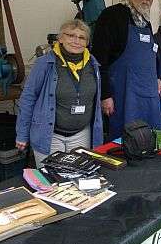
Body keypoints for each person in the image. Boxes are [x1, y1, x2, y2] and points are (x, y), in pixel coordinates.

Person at [16, 19, 103, 166]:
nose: (76, 41)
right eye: (70, 35)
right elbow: (28, 99)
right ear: (60, 38)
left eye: (81, 37)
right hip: (50, 136)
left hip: (82, 134)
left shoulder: (92, 64)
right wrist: (22, 134)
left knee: (79, 177)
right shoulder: (44, 63)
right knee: (52, 182)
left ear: (87, 42)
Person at [92, 0, 161, 140]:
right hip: (122, 95)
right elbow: (98, 59)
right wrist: (105, 95)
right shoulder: (112, 15)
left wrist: (156, 78)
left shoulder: (146, 22)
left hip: (147, 95)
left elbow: (149, 56)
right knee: (123, 141)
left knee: (147, 140)